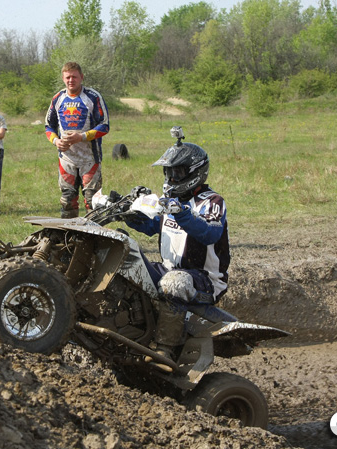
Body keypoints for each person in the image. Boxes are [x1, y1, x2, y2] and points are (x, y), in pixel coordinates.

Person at [125, 131, 230, 372]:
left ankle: (165, 350)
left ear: (195, 173)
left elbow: (209, 233)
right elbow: (153, 226)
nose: (172, 178)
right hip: (168, 269)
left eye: (178, 172)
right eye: (169, 172)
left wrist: (181, 212)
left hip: (204, 279)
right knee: (126, 256)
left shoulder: (212, 201)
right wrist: (129, 213)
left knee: (174, 283)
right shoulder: (169, 200)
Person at [45, 62, 109, 218]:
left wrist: (81, 137)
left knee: (92, 203)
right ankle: (69, 233)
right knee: (67, 201)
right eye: (67, 77)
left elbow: (105, 126)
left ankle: (94, 233)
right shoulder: (58, 98)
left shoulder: (93, 97)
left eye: (74, 77)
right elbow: (48, 126)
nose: (71, 80)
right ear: (63, 78)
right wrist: (56, 141)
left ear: (82, 77)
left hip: (90, 158)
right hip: (67, 159)